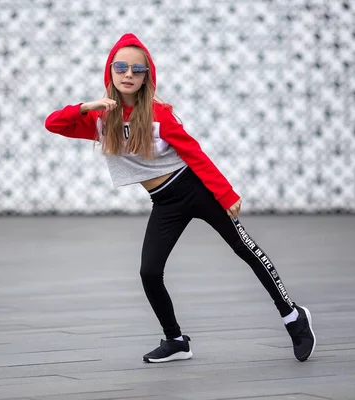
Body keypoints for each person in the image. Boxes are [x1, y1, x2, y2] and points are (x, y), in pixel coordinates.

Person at [44, 33, 316, 363]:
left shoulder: (161, 115)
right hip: (165, 202)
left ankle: (293, 316)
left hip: (197, 190)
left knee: (245, 249)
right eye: (121, 67)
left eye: (137, 69)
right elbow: (53, 124)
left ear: (146, 77)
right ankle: (175, 340)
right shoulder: (100, 119)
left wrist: (225, 193)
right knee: (149, 272)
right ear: (110, 72)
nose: (128, 74)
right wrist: (86, 106)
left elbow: (194, 153)